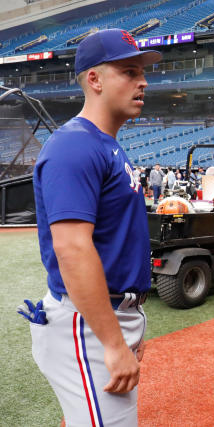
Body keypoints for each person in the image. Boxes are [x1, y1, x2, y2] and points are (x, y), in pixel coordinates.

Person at [29, 28, 161, 426]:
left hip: (107, 315)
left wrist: (129, 323)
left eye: (142, 72)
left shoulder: (106, 143)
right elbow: (72, 250)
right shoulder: (75, 145)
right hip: (85, 324)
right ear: (95, 79)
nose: (143, 81)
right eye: (130, 71)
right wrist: (112, 340)